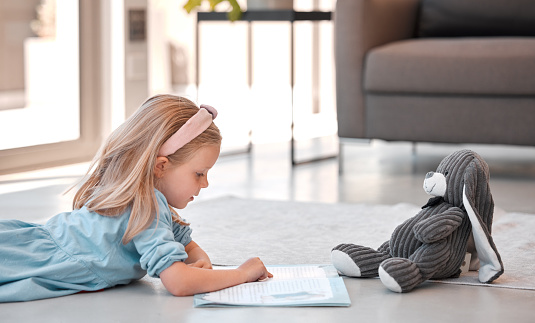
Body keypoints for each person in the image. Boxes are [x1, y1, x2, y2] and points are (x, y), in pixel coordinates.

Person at [0, 94, 272, 302]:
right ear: (161, 166)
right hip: (33, 259)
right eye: (199, 173)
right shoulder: (147, 205)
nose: (206, 183)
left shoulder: (149, 201)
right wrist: (241, 275)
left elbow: (187, 245)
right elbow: (178, 283)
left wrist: (199, 261)